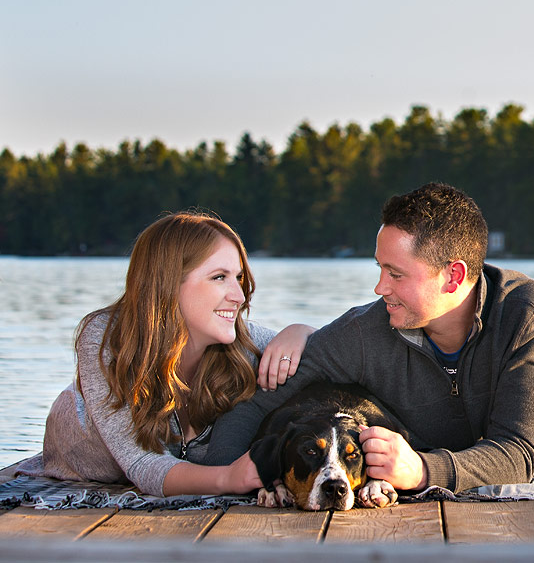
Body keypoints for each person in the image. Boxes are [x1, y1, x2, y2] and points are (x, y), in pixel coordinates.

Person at [205, 182, 534, 495]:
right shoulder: (363, 333)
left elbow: (518, 453)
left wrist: (422, 471)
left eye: (395, 274)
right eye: (380, 269)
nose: (380, 288)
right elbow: (252, 408)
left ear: (453, 277)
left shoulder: (528, 316)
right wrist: (226, 480)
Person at [16, 211, 314, 497]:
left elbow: (332, 354)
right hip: (81, 463)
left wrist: (301, 332)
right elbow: (142, 463)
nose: (239, 295)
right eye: (219, 277)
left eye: (238, 277)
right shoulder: (106, 337)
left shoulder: (242, 344)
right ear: (168, 283)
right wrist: (227, 478)